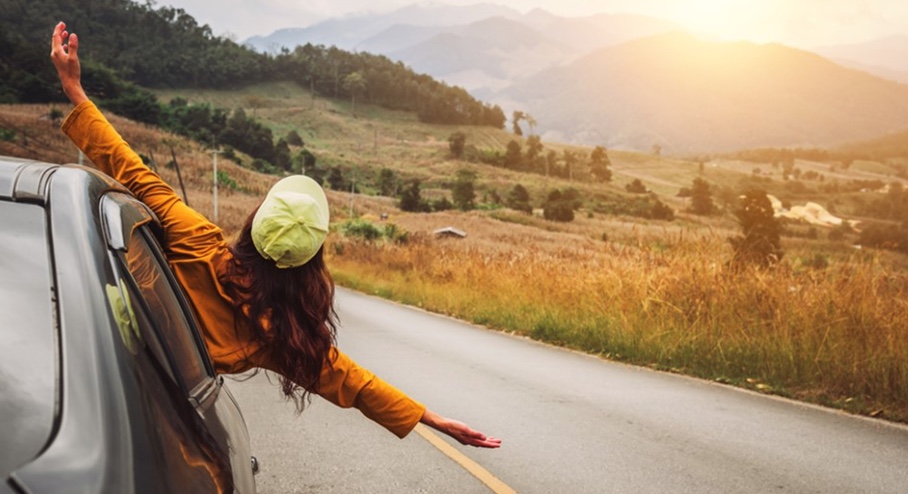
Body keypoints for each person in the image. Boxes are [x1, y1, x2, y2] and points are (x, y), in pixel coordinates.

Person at [50, 22, 500, 449]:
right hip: (164, 422)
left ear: (255, 222)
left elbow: (130, 168)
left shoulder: (195, 239)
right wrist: (431, 418)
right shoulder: (277, 335)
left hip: (96, 378)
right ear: (310, 263)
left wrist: (74, 89)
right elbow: (354, 382)